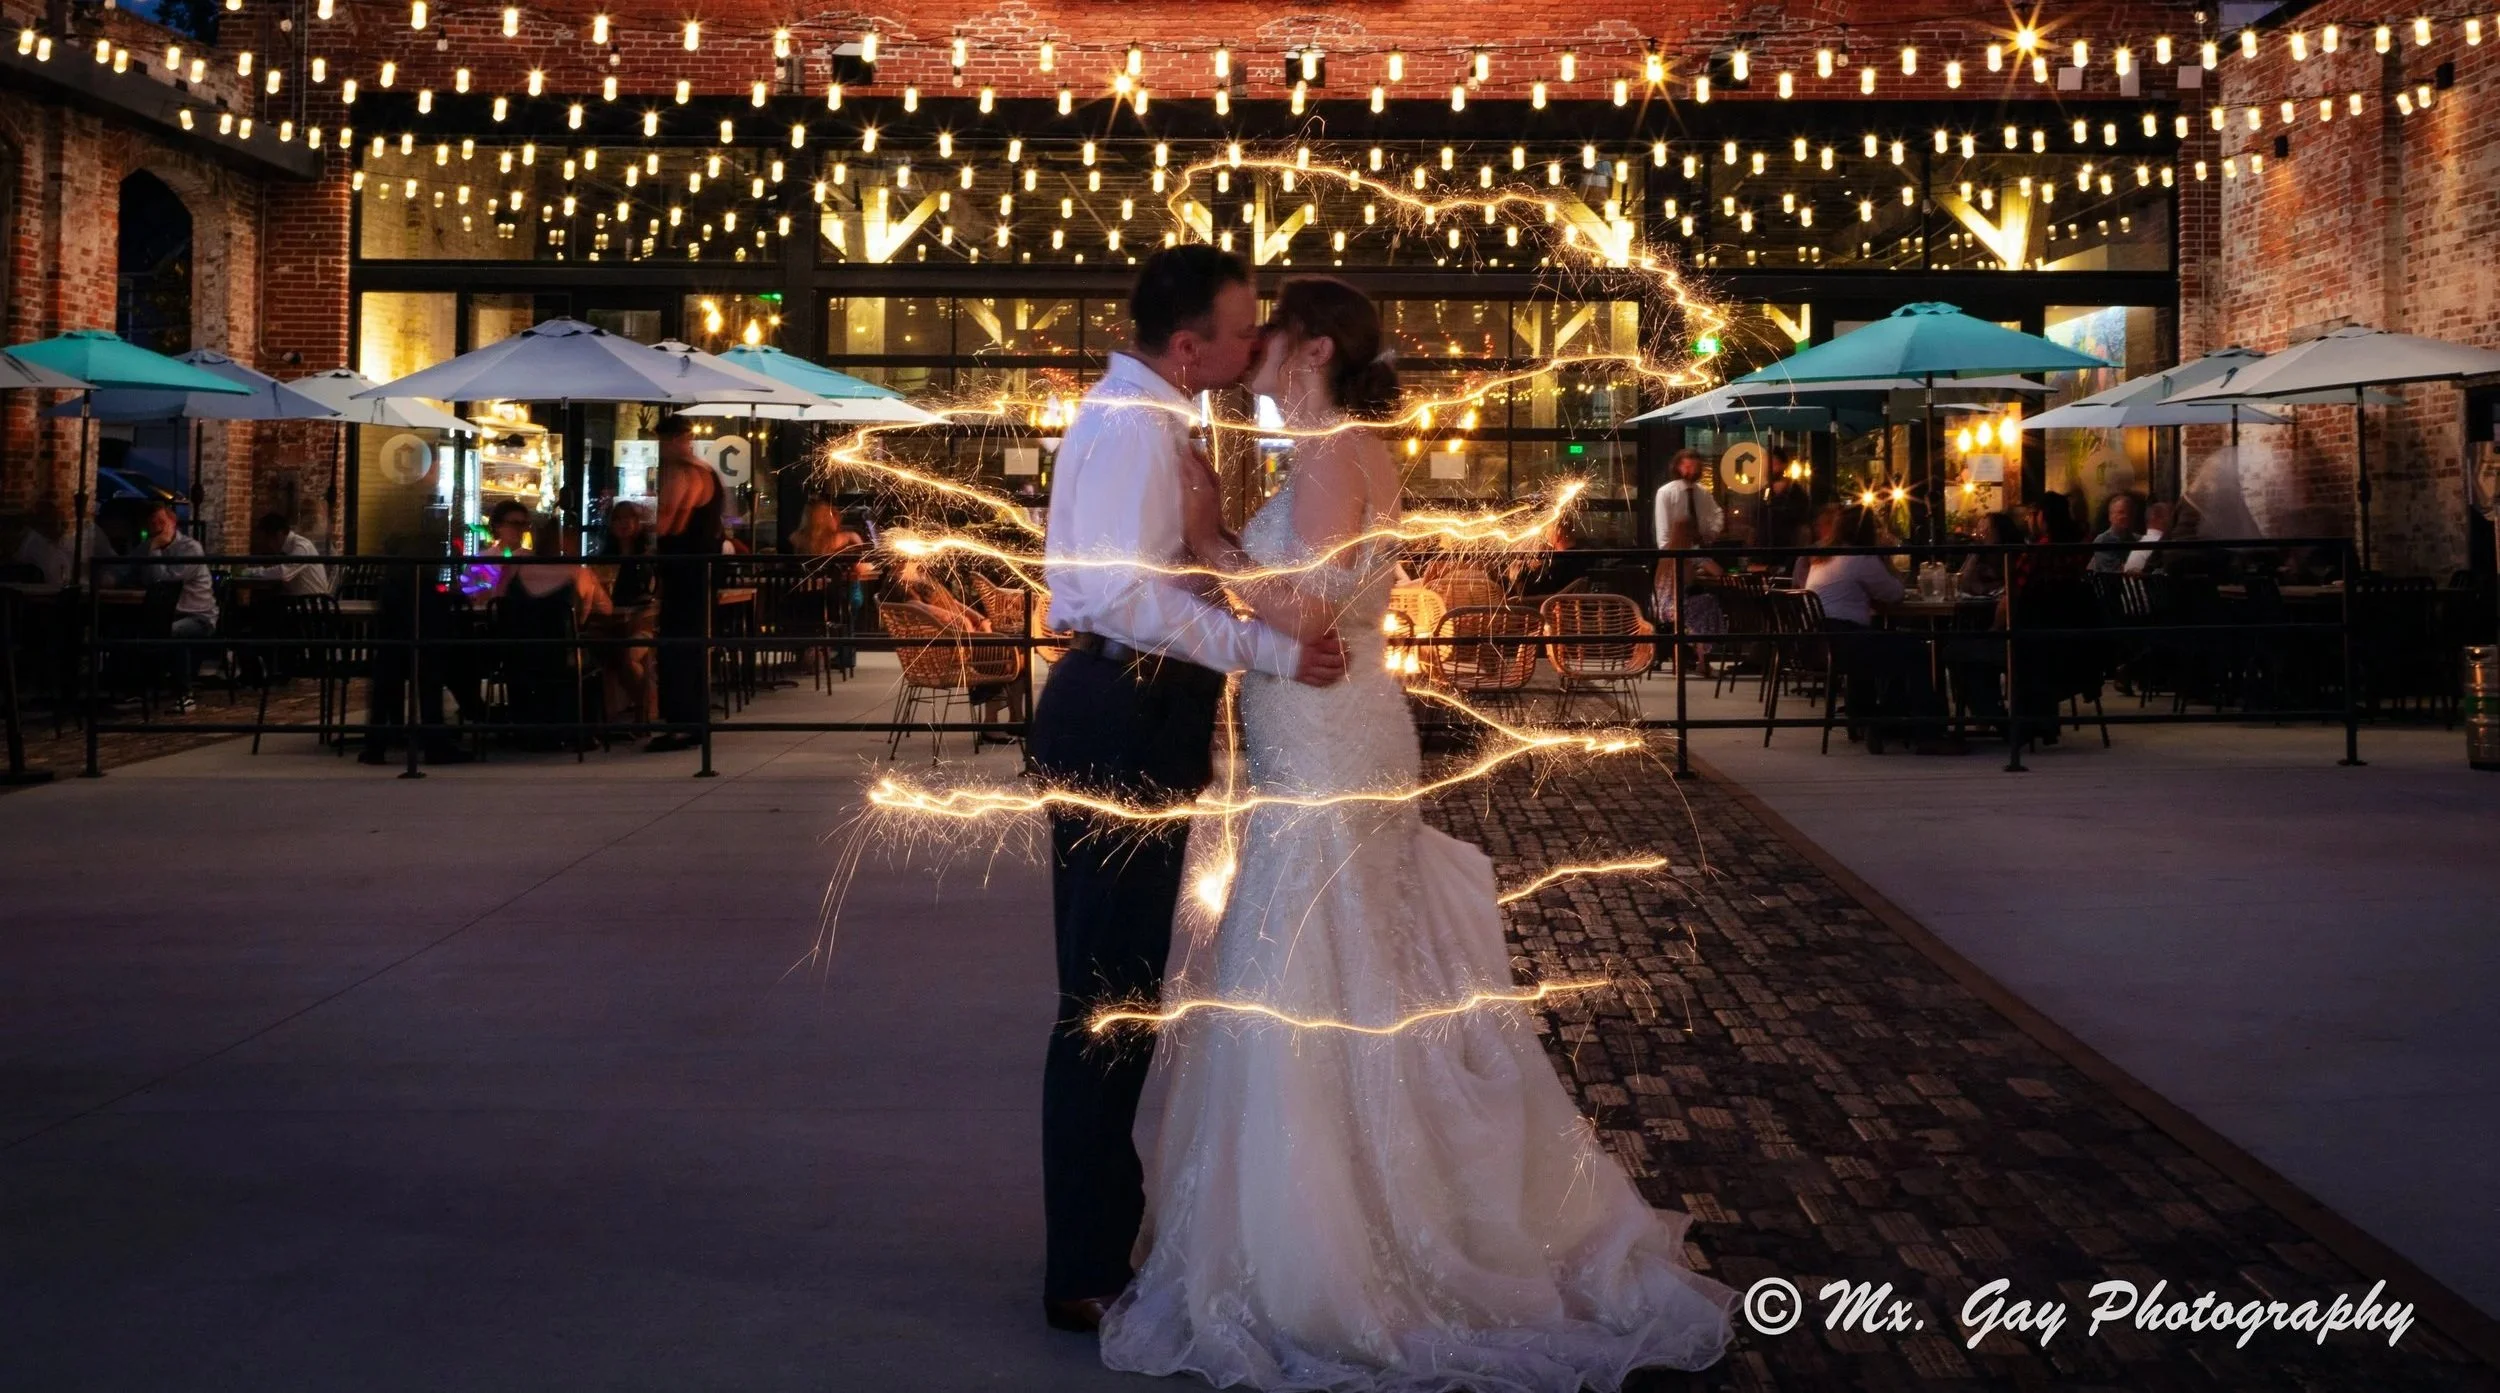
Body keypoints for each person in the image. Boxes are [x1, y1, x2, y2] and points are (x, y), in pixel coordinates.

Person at [1094, 274, 1735, 1387]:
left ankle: (1346, 1247)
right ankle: (1311, 1219)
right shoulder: (1325, 454)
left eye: (1267, 336)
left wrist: (1213, 546)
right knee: (1324, 964)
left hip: (1333, 741)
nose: (1249, 354)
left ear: (1310, 349)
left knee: (1318, 965)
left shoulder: (1339, 453)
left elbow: (1308, 613)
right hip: (1315, 736)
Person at [1024, 246, 1350, 1338]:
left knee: (1115, 990)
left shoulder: (1149, 420)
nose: (1252, 340)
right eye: (1239, 324)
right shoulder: (1132, 427)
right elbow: (1116, 593)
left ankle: (1097, 1239)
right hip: (1122, 706)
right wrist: (1257, 647)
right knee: (1106, 1000)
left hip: (1136, 710)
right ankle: (1081, 1264)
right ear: (1185, 344)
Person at [647, 416, 723, 752]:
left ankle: (682, 724)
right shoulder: (704, 471)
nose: (660, 451)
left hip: (683, 568)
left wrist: (650, 521)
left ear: (677, 439)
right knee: (689, 646)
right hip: (698, 568)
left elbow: (667, 523)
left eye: (661, 442)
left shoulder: (683, 472)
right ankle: (692, 720)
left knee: (676, 645)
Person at [138, 502, 217, 712]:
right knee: (126, 628)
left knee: (172, 632)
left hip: (197, 616)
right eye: (152, 523)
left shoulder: (190, 548)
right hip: (163, 614)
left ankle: (185, 693)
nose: (157, 528)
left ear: (173, 523)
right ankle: (134, 689)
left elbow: (163, 581)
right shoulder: (146, 546)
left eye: (161, 522)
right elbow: (134, 574)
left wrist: (154, 551)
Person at [587, 501, 658, 732]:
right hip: (610, 623)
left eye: (630, 518)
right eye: (618, 519)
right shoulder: (603, 558)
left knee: (629, 656)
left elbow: (653, 596)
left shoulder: (648, 558)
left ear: (639, 524)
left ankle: (644, 707)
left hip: (644, 620)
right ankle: (609, 717)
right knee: (599, 651)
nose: (624, 523)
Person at [10, 498, 113, 588]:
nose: (52, 524)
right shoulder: (34, 544)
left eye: (55, 519)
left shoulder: (87, 533)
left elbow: (111, 564)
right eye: (46, 521)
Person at [247, 512, 334, 596]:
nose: (267, 545)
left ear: (279, 534)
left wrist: (251, 572)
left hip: (314, 604)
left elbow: (283, 572)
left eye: (267, 539)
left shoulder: (301, 546)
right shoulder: (287, 549)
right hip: (300, 602)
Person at [1651, 447, 1723, 548]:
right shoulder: (1666, 492)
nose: (1693, 471)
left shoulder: (1703, 492)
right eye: (1688, 467)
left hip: (1701, 549)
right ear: (1677, 467)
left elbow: (1717, 513)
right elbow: (1663, 534)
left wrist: (1712, 532)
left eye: (1695, 467)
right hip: (1676, 551)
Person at [1958, 509, 2026, 596]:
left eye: (1987, 530)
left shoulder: (2009, 559)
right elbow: (1962, 584)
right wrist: (1975, 551)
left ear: (2000, 533)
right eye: (1980, 529)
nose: (1981, 534)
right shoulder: (1979, 557)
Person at [2089, 493, 2144, 574]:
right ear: (2110, 516)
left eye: (2130, 513)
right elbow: (2112, 573)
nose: (2125, 516)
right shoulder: (2102, 541)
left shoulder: (2140, 540)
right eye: (2121, 512)